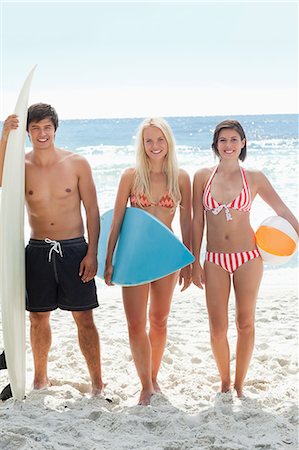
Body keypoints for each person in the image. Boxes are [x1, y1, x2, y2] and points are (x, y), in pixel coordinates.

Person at [0, 103, 103, 395]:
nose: (42, 133)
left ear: (55, 129)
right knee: (37, 318)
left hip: (74, 249)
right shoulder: (21, 166)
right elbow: (1, 183)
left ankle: (97, 383)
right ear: (28, 132)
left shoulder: (77, 163)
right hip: (37, 251)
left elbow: (92, 211)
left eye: (47, 127)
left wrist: (92, 253)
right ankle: (40, 379)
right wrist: (5, 137)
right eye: (35, 128)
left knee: (84, 318)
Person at [192, 119, 299, 398]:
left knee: (245, 323)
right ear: (215, 145)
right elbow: (196, 222)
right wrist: (193, 262)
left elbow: (282, 210)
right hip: (214, 258)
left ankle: (239, 385)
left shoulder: (254, 177)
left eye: (234, 140)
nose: (228, 145)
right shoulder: (202, 177)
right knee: (217, 327)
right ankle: (224, 381)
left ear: (243, 143)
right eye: (223, 140)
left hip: (248, 257)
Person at [104, 117, 192, 405]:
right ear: (142, 145)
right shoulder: (130, 176)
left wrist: (189, 260)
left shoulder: (180, 178)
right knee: (135, 323)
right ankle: (145, 385)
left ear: (169, 142)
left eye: (160, 139)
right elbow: (117, 220)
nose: (155, 146)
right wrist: (108, 258)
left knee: (159, 320)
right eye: (149, 140)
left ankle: (153, 378)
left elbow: (187, 222)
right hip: (133, 258)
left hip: (167, 258)